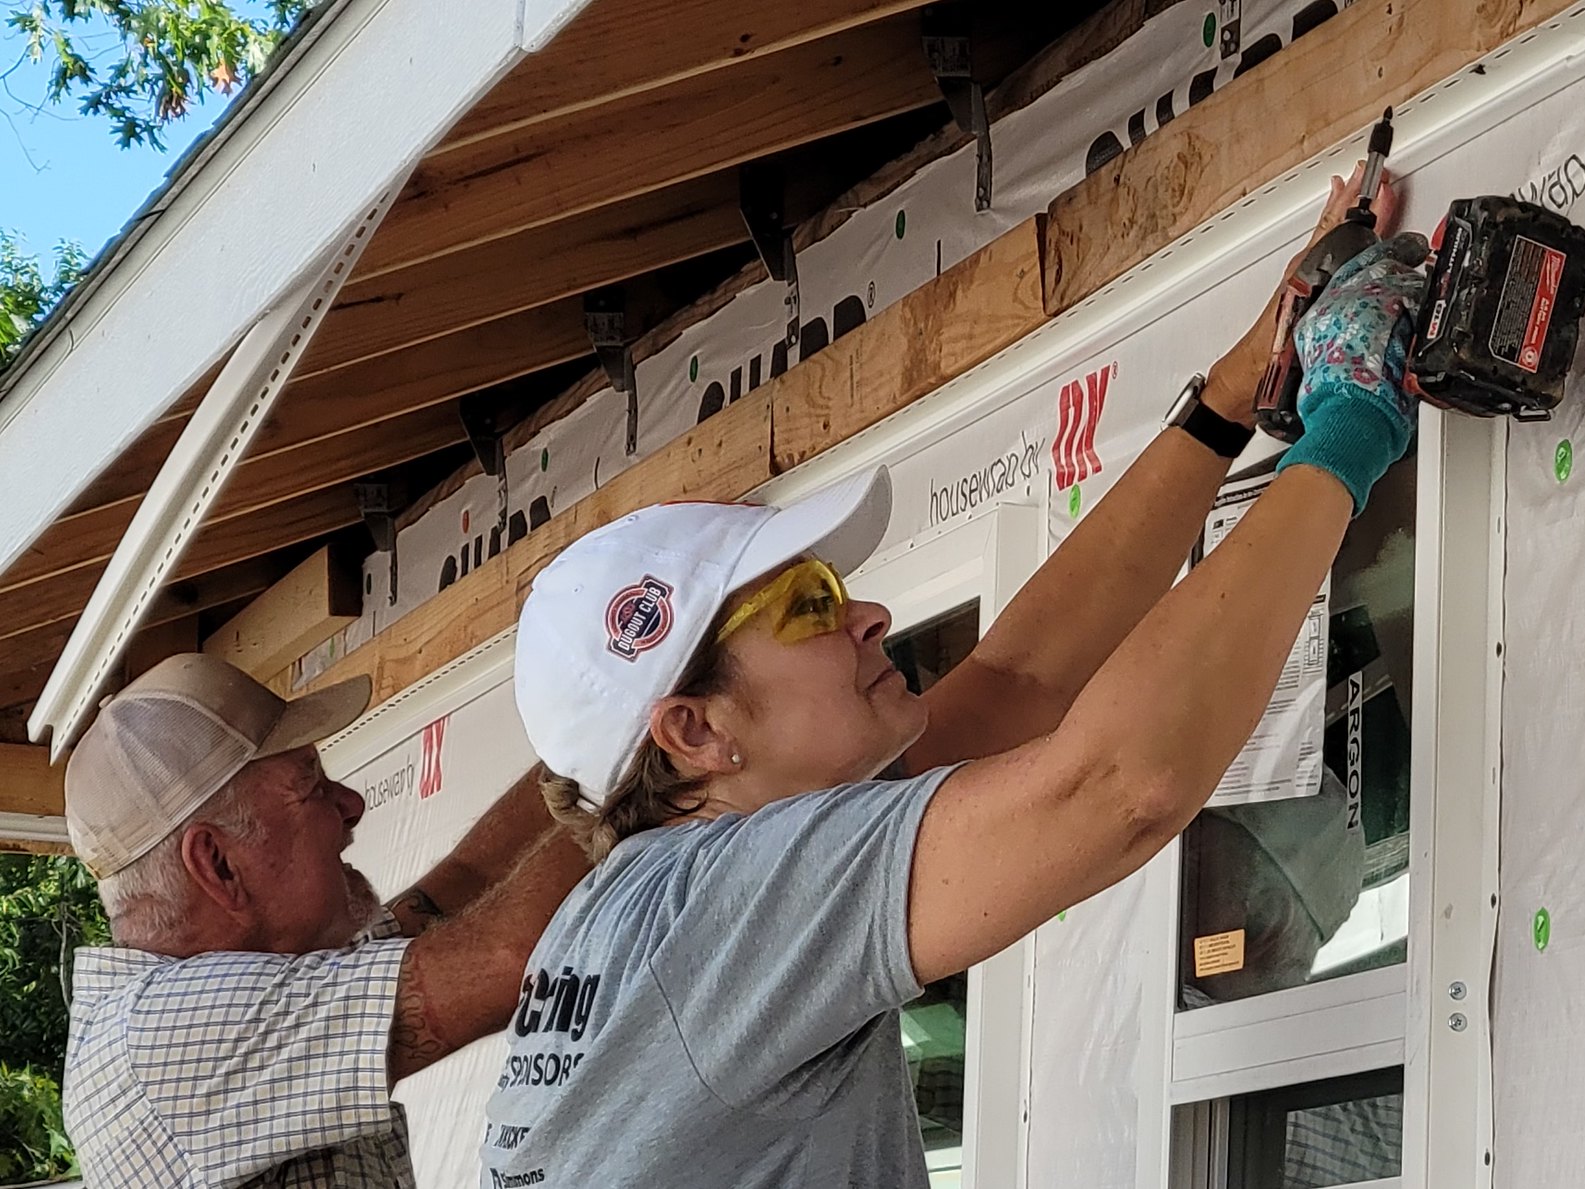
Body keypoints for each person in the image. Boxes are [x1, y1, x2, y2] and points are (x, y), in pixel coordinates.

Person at [479, 164, 1431, 1188]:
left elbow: (1019, 676)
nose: (870, 614)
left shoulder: (643, 907)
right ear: (696, 734)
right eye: (806, 607)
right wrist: (1347, 430)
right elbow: (1118, 786)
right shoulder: (732, 896)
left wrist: (1239, 389)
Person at [61, 653, 591, 1186]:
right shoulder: (158, 1034)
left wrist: (604, 739)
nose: (351, 804)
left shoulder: (258, 986)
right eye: (311, 787)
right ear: (219, 865)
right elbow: (504, 958)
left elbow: (465, 878)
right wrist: (651, 763)